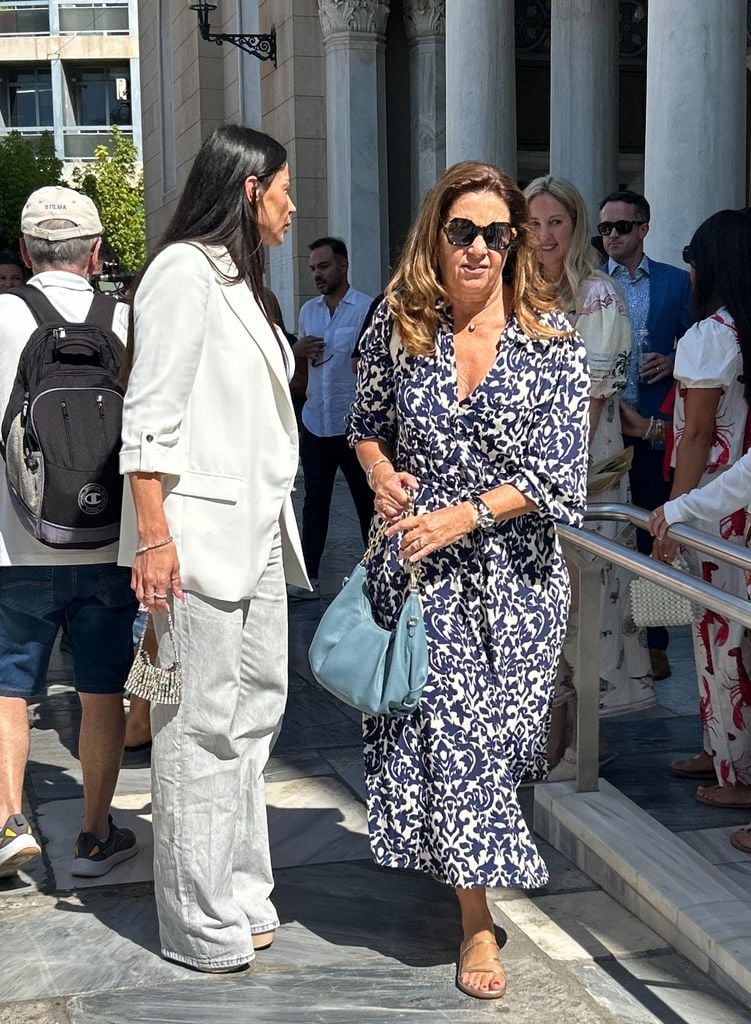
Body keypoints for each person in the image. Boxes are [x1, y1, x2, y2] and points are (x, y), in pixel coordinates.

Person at [347, 161, 589, 1000]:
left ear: (515, 243)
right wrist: (381, 476)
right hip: (422, 577)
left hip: (518, 584)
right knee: (452, 741)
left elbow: (560, 478)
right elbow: (366, 427)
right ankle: (476, 925)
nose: (478, 247)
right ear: (435, 238)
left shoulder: (553, 343)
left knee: (495, 747)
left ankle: (464, 865)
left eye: (496, 232)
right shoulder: (398, 328)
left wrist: (468, 515)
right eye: (462, 231)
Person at [119, 125, 308, 973]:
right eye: (284, 190)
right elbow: (148, 416)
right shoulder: (180, 272)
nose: (293, 207)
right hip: (194, 538)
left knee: (255, 718)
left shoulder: (242, 282)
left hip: (261, 532)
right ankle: (198, 922)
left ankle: (240, 892)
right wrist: (154, 537)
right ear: (247, 188)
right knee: (197, 728)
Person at [0, 186, 138, 879]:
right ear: (95, 251)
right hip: (108, 540)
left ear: (25, 251)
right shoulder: (129, 320)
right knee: (100, 689)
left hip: (12, 544)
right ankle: (93, 831)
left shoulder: (1, 316)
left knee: (6, 690)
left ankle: (7, 823)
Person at [524, 176, 654, 778]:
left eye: (557, 222)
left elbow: (594, 398)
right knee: (542, 615)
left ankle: (581, 751)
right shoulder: (518, 293)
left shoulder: (597, 295)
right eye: (534, 222)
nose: (545, 235)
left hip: (583, 478)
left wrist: (556, 473)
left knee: (585, 613)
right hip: (526, 479)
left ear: (575, 227)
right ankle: (548, 742)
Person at [647, 209, 751, 809]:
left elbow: (696, 432)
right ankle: (720, 752)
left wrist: (673, 510)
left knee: (720, 635)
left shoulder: (711, 334)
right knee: (728, 632)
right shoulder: (739, 330)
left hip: (711, 502)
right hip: (735, 501)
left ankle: (733, 768)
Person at [599, 190, 693, 680]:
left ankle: (655, 643)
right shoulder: (590, 285)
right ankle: (610, 643)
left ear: (643, 229)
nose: (611, 236)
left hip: (655, 426)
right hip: (605, 425)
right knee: (606, 534)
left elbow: (702, 342)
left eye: (621, 226)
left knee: (652, 531)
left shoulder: (676, 284)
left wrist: (676, 363)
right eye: (605, 228)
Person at [287, 238, 374, 599]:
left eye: (323, 267)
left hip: (352, 424)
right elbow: (299, 363)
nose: (317, 275)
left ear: (342, 265)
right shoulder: (309, 311)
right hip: (316, 421)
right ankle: (309, 577)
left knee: (366, 504)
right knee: (314, 503)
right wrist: (298, 350)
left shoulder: (365, 309)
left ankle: (376, 575)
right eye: (312, 269)